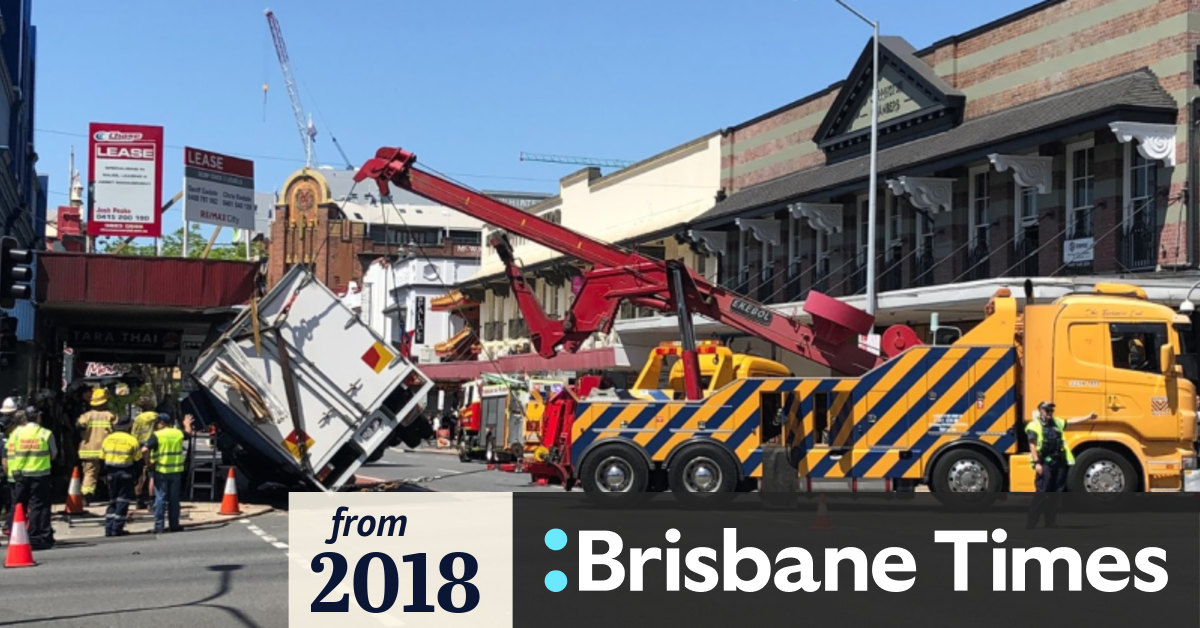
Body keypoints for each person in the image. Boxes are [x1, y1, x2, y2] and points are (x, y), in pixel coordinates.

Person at [1026, 401, 1098, 529]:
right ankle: (1031, 523)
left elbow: (1072, 421)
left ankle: (1050, 522)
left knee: (1055, 493)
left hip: (1059, 462)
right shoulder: (1034, 425)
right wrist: (1037, 463)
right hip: (1045, 463)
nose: (1050, 413)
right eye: (1047, 410)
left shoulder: (1057, 422)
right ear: (1041, 411)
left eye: (1051, 411)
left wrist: (1088, 417)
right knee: (1042, 493)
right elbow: (1032, 445)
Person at [8, 407, 57, 549]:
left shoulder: (16, 433)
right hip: (40, 474)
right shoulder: (45, 433)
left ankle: (15, 534)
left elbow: (11, 450)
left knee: (18, 506)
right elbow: (53, 454)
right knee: (39, 507)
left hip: (20, 475)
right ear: (38, 417)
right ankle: (37, 536)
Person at [142, 413, 185, 533]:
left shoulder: (157, 435)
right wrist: (187, 424)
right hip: (176, 471)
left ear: (161, 423)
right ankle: (174, 525)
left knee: (160, 498)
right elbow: (188, 434)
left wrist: (148, 463)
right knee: (174, 499)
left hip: (161, 471)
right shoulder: (177, 433)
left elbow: (144, 449)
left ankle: (159, 526)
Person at [101, 416, 140, 537]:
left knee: (112, 501)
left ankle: (109, 528)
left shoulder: (108, 439)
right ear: (128, 427)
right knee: (122, 502)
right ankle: (117, 529)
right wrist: (137, 477)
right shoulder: (132, 440)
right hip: (126, 473)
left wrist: (102, 475)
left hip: (111, 474)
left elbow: (102, 459)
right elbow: (137, 460)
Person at [77, 388, 115, 501]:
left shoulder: (86, 416)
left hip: (88, 450)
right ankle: (110, 494)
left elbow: (78, 426)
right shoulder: (110, 415)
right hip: (107, 450)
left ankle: (86, 497)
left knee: (90, 474)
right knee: (110, 473)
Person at [131, 396, 159, 509]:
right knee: (152, 475)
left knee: (140, 476)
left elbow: (133, 434)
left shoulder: (137, 419)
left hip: (139, 447)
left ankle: (139, 500)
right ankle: (152, 501)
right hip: (152, 446)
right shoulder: (155, 416)